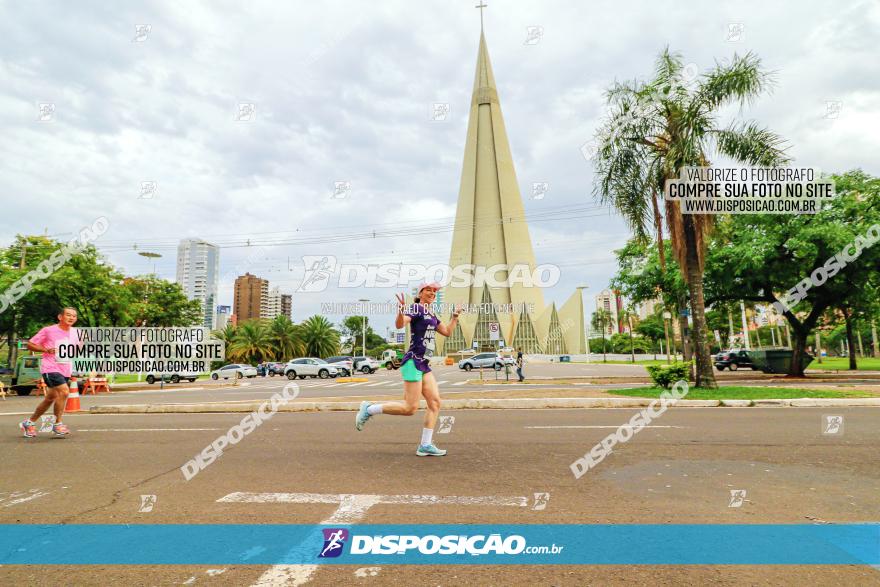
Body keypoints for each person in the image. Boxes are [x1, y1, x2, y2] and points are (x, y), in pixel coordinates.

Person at [355, 282, 461, 456]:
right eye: (429, 290)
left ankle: (425, 445)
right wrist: (400, 311)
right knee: (410, 408)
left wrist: (455, 317)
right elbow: (400, 324)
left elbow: (447, 332)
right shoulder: (416, 308)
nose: (432, 293)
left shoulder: (431, 313)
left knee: (434, 403)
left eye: (434, 291)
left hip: (423, 364)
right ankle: (369, 409)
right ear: (420, 293)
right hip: (412, 362)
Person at [19, 307, 79, 438]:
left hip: (65, 369)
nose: (71, 318)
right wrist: (45, 350)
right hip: (50, 368)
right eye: (68, 315)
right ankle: (57, 424)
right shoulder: (49, 330)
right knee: (64, 391)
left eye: (74, 316)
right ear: (60, 317)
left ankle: (29, 422)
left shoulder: (76, 332)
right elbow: (30, 344)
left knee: (50, 398)